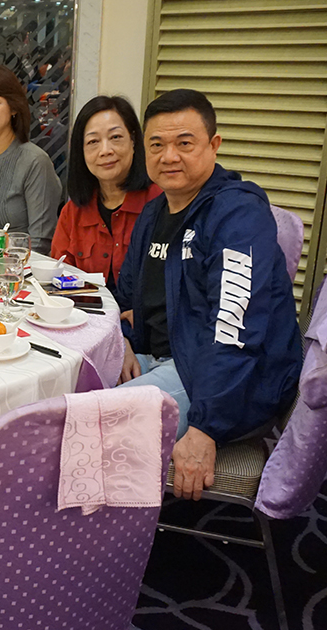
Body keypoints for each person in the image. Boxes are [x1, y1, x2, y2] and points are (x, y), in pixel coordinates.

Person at [116, 88, 302, 502]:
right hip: (159, 356)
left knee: (94, 427)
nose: (169, 157)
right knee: (58, 390)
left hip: (219, 380)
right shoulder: (155, 212)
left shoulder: (238, 216)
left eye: (184, 143)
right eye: (157, 145)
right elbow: (126, 295)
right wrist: (123, 341)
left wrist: (205, 426)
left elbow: (236, 327)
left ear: (213, 145)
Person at [51, 96, 163, 289]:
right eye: (93, 141)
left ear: (134, 140)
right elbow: (59, 277)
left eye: (115, 137)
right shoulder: (73, 212)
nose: (105, 150)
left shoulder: (160, 203)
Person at [0, 65, 60, 253]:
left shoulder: (35, 162)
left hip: (24, 269)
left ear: (13, 107)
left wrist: (9, 249)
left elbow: (41, 242)